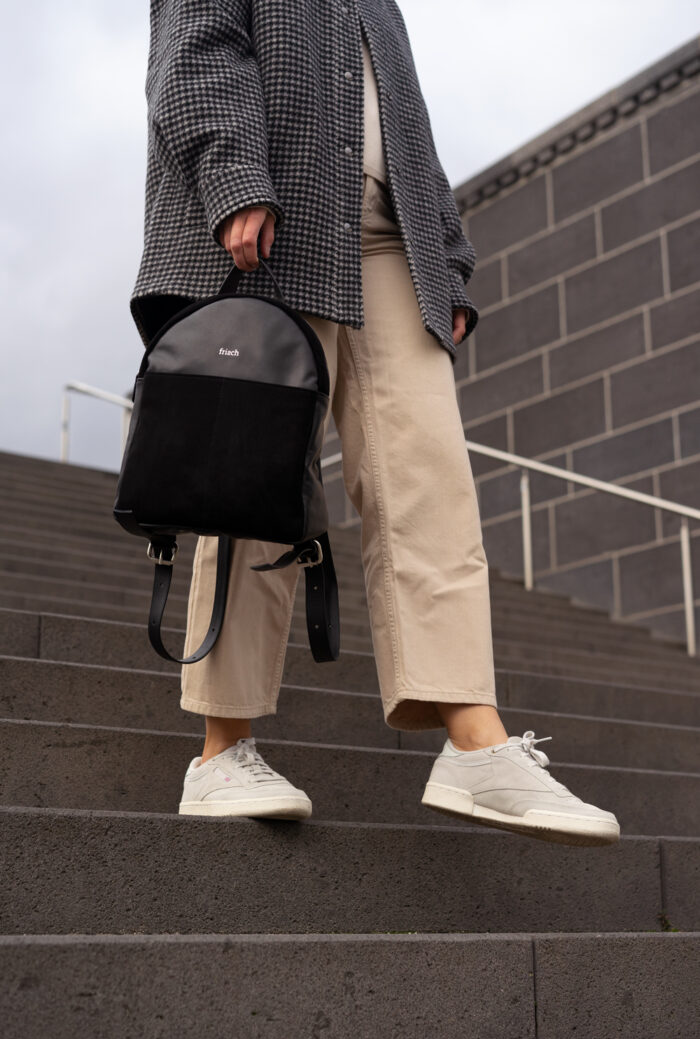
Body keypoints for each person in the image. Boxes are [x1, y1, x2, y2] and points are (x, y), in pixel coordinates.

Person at [131, 0, 620, 847]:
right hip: (278, 223)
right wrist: (235, 176)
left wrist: (452, 261)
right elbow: (197, 49)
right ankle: (220, 751)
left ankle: (476, 742)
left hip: (397, 250)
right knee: (251, 476)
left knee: (430, 474)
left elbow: (411, 130)